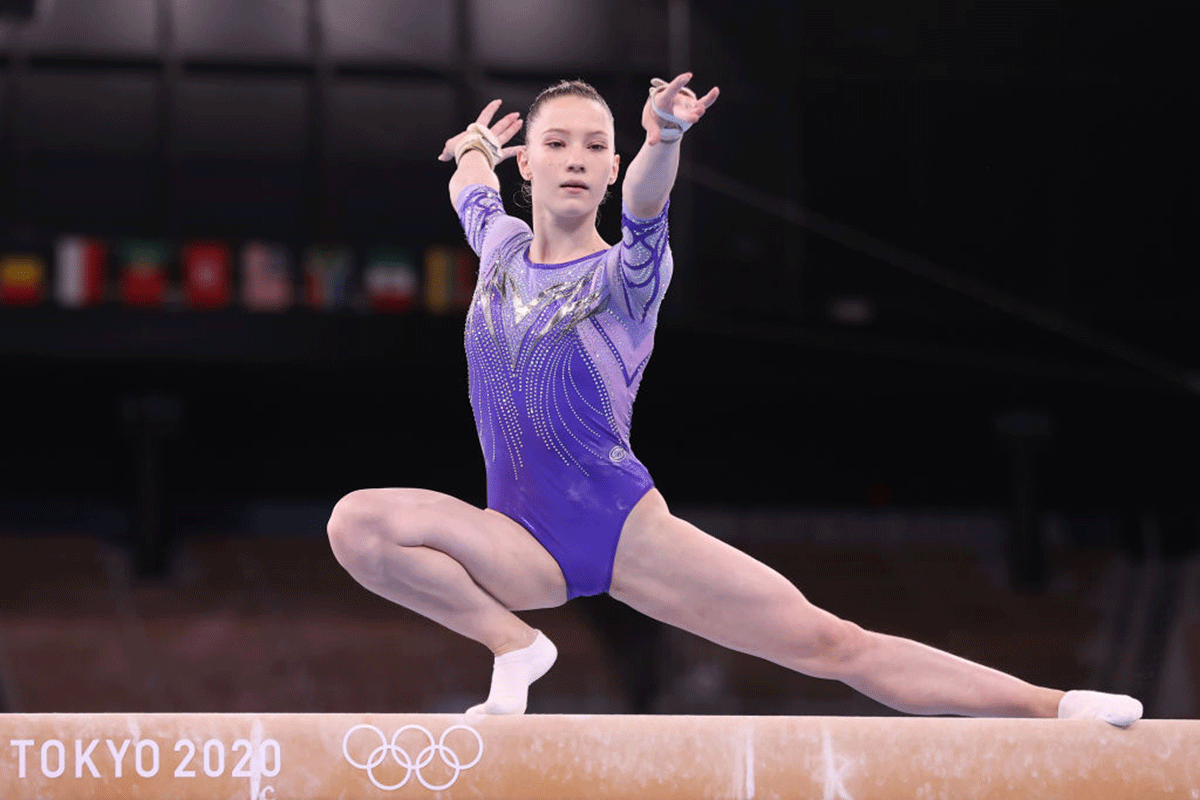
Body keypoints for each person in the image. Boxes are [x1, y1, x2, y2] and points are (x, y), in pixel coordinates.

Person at [326, 73, 1142, 726]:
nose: (577, 157)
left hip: (625, 529)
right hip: (516, 540)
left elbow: (649, 208)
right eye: (557, 143)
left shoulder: (625, 278)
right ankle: (515, 645)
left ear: (612, 166)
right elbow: (469, 187)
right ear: (528, 163)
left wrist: (663, 139)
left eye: (596, 146)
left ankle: (1056, 706)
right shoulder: (499, 249)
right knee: (357, 524)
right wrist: (473, 146)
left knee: (831, 643)